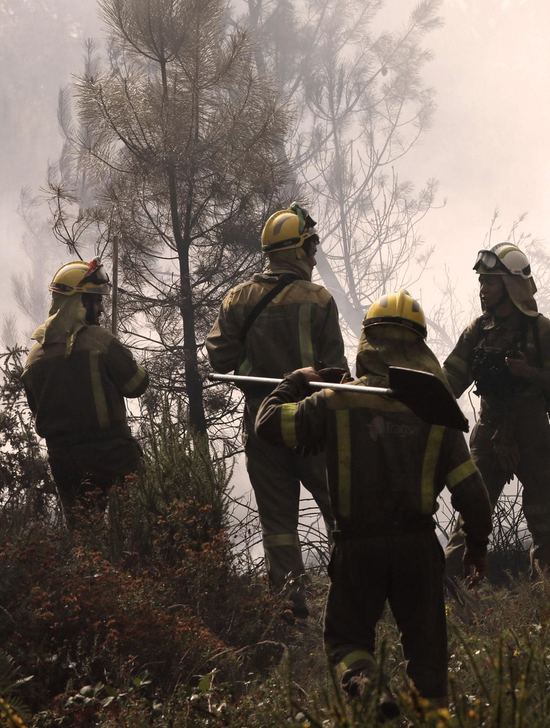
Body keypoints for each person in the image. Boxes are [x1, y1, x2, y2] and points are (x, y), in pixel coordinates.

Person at [254, 288, 492, 713]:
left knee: (346, 640)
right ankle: (432, 719)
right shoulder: (436, 411)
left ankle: (370, 690)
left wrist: (296, 382)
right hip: (417, 550)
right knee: (428, 654)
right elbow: (473, 493)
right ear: (418, 346)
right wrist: (476, 546)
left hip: (356, 549)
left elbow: (268, 425)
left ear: (367, 341)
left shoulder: (334, 401)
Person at [205, 203, 345, 617]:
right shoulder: (319, 299)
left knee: (278, 524)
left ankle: (289, 608)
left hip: (262, 423)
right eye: (311, 249)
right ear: (297, 250)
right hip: (314, 423)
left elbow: (219, 359)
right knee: (340, 512)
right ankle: (351, 595)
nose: (314, 259)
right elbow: (337, 373)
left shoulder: (237, 300)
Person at [442, 243, 550, 578]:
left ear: (511, 284)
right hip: (489, 432)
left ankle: (544, 593)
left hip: (531, 433)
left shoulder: (539, 329)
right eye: (481, 282)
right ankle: (448, 590)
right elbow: (450, 378)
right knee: (471, 515)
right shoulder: (477, 331)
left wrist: (529, 373)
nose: (483, 290)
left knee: (542, 517)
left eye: (490, 282)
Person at [22, 259, 149, 521]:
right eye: (96, 300)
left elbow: (36, 407)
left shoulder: (34, 356)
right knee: (140, 523)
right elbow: (137, 385)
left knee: (83, 534)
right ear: (79, 302)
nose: (101, 308)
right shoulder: (100, 341)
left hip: (63, 459)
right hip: (113, 454)